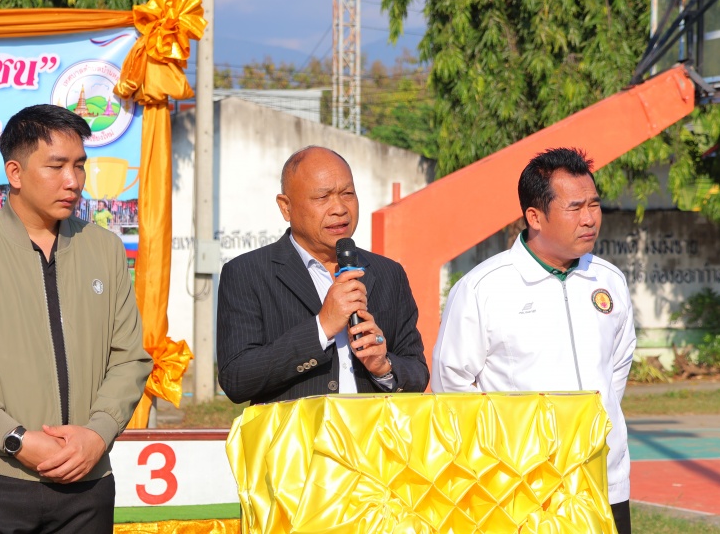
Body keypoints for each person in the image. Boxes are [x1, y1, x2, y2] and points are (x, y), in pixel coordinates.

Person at [0, 104, 152, 534]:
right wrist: (15, 438)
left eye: (79, 165)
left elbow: (129, 359)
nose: (73, 180)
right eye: (56, 166)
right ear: (15, 172)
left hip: (87, 480)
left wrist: (98, 434)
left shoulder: (105, 250)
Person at [433, 147, 635, 534]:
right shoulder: (482, 288)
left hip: (604, 481)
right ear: (534, 217)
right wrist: (504, 453)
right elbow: (452, 388)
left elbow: (617, 367)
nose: (590, 218)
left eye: (594, 204)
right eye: (575, 208)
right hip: (519, 488)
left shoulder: (609, 280)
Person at [217, 146, 429, 405]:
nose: (339, 208)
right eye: (322, 197)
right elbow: (236, 379)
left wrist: (383, 367)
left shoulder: (388, 274)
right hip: (296, 432)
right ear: (286, 207)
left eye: (347, 194)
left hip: (371, 430)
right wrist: (321, 328)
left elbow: (417, 372)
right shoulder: (247, 273)